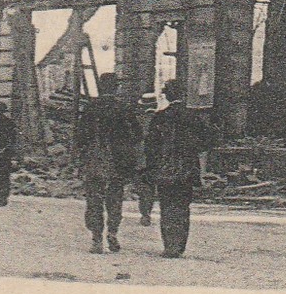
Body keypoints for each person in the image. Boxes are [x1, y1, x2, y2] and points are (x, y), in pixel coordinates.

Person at [144, 79, 214, 258]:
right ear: (183, 95)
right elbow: (205, 143)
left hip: (164, 169)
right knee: (182, 207)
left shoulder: (159, 117)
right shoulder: (193, 117)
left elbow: (150, 147)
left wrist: (152, 169)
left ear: (167, 96)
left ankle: (169, 246)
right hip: (187, 169)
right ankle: (179, 245)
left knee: (166, 207)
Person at [75, 75, 141, 253]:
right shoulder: (123, 108)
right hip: (117, 161)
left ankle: (96, 238)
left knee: (94, 199)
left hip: (95, 159)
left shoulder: (91, 108)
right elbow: (136, 134)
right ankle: (112, 233)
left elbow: (80, 136)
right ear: (116, 88)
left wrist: (82, 157)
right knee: (115, 198)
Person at [134, 92, 159, 225]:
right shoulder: (159, 118)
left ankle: (144, 212)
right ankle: (146, 213)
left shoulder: (138, 119)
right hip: (154, 158)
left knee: (142, 187)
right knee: (150, 187)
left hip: (139, 158)